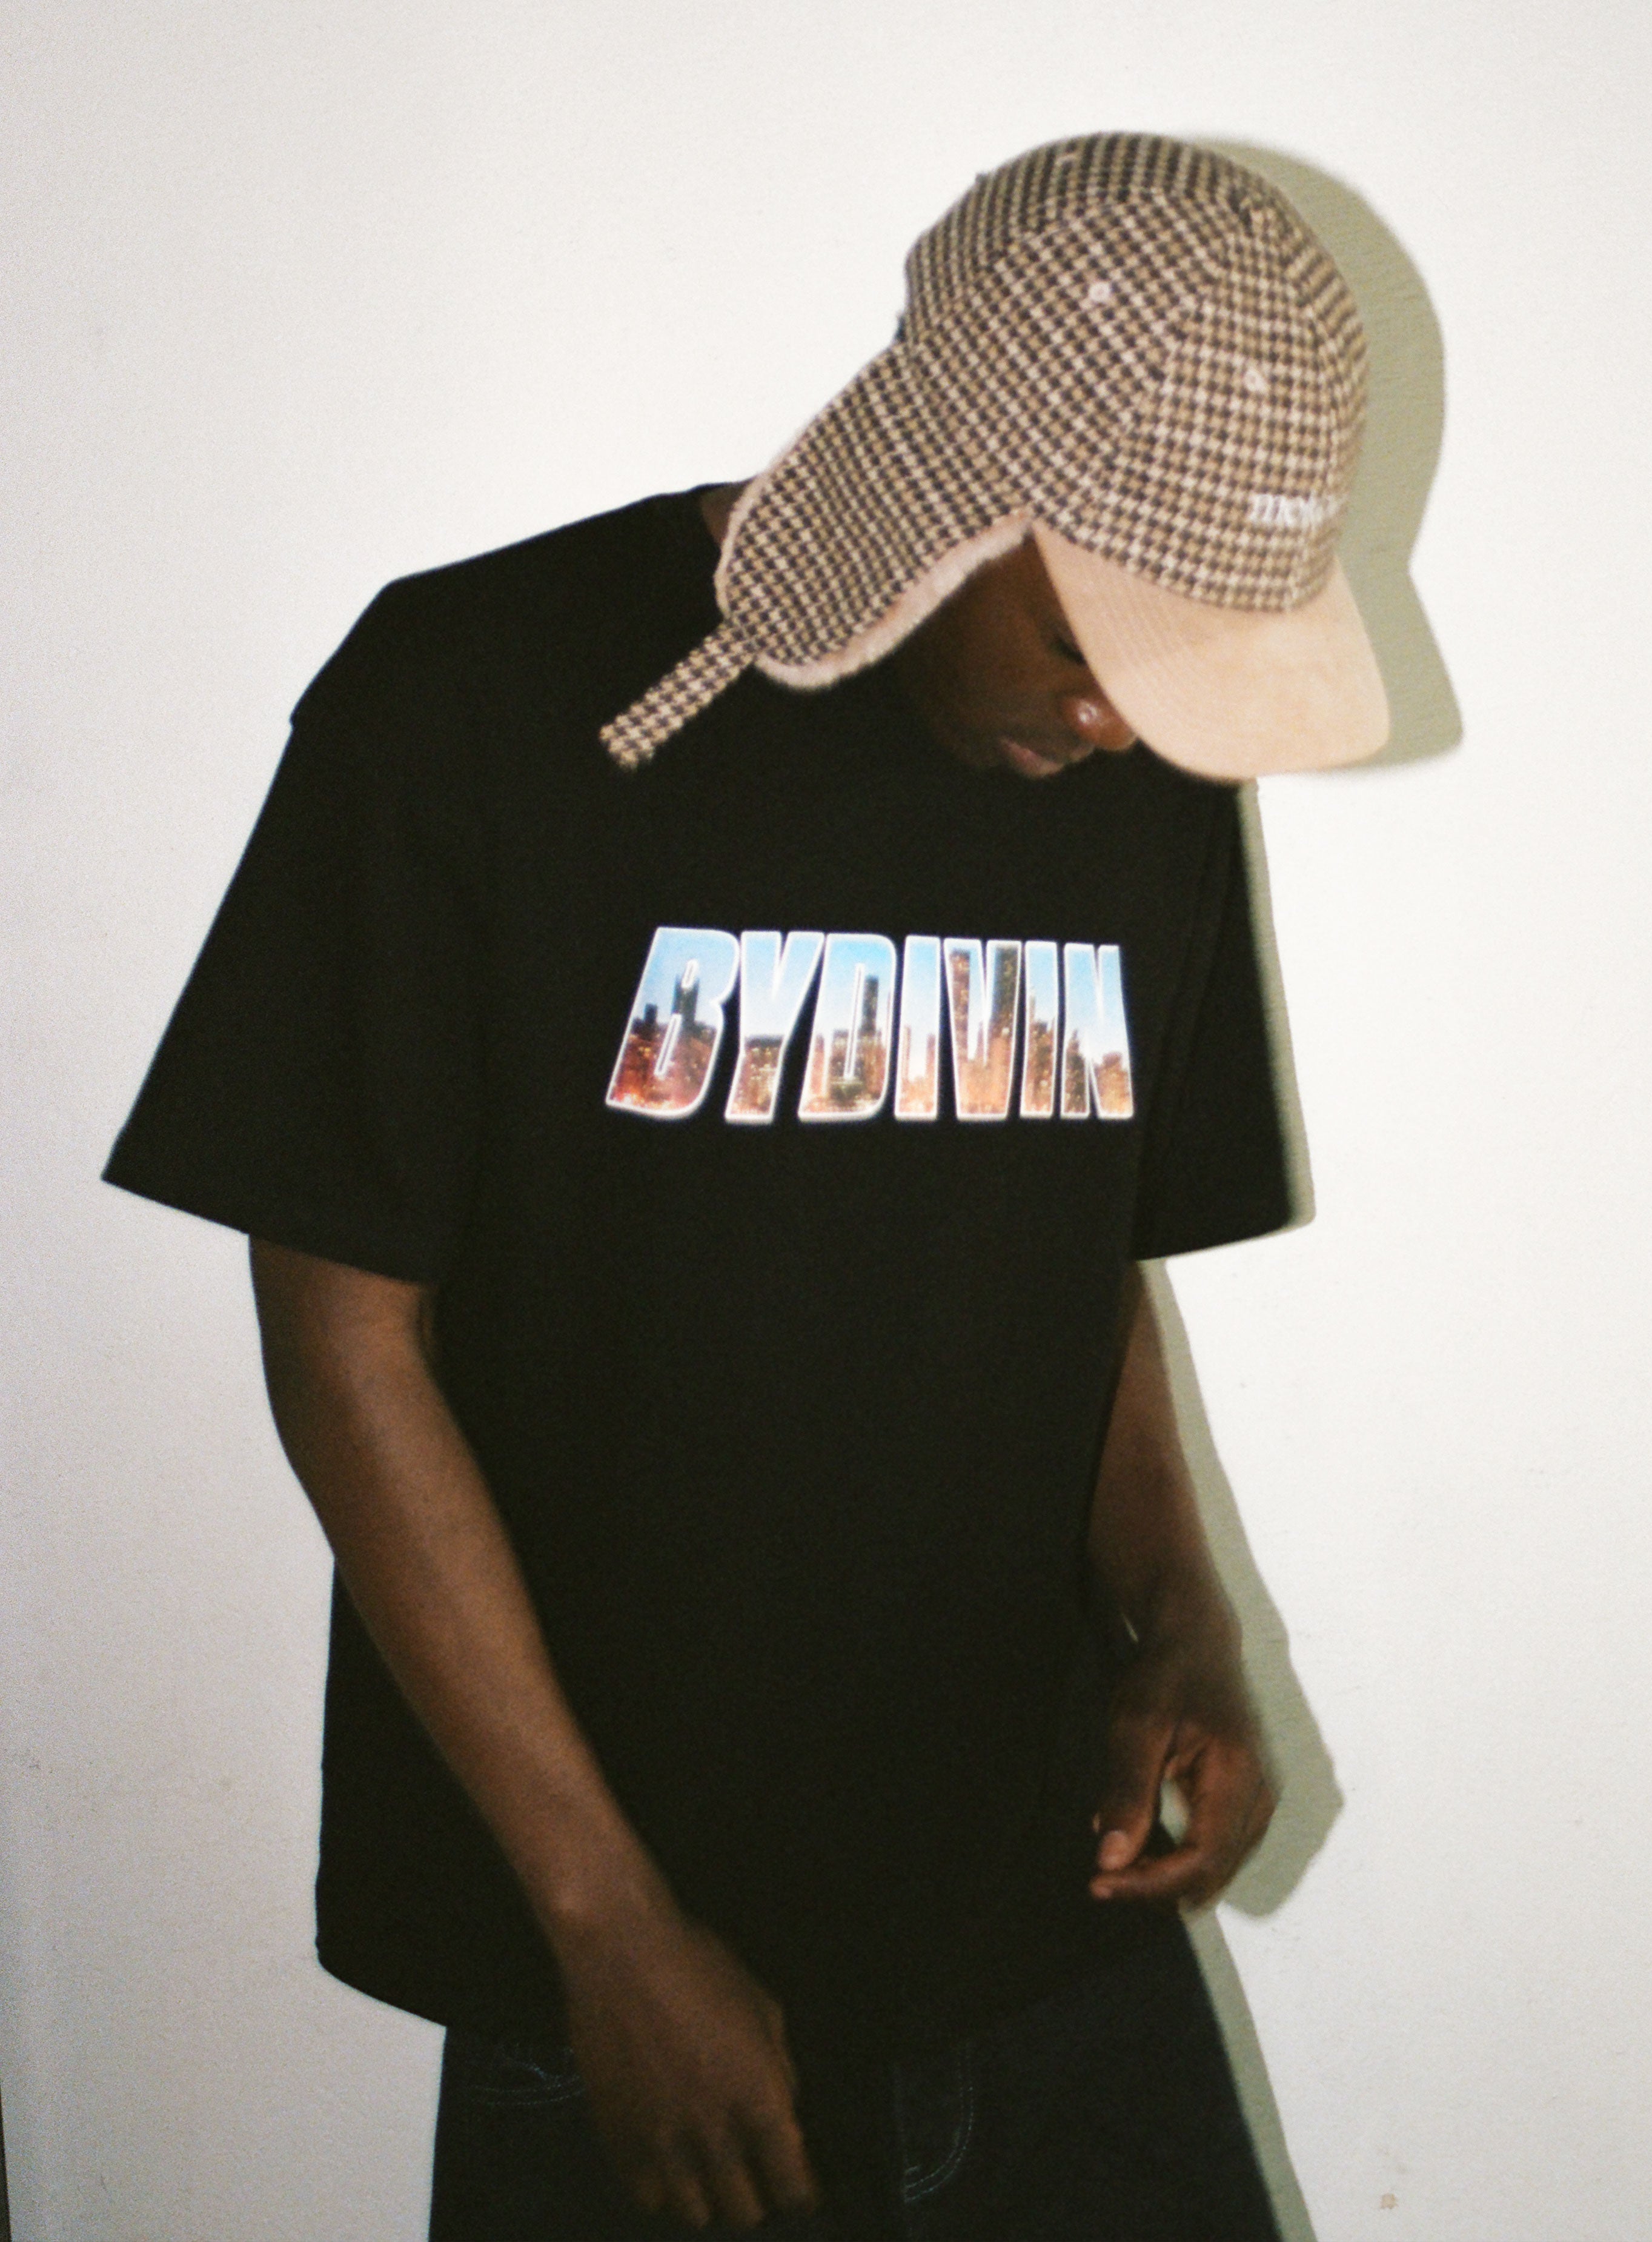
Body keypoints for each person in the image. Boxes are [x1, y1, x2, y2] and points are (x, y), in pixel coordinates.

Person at [104, 133, 1389, 2239]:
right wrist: (603, 1923)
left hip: (1044, 1927)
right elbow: (342, 1335)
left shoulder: (1132, 779)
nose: (1116, 721)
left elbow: (1073, 1249)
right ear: (946, 475)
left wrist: (1175, 1611)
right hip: (646, 1989)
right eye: (1094, 643)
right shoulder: (479, 697)